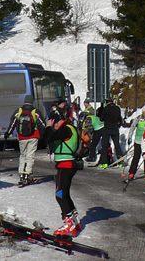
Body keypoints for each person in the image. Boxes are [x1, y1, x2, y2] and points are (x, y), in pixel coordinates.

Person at [45, 100, 83, 237]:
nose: (54, 126)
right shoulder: (69, 128)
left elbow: (48, 137)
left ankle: (69, 224)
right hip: (67, 164)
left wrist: (48, 127)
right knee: (64, 193)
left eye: (54, 123)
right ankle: (74, 219)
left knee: (60, 195)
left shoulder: (65, 129)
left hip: (66, 165)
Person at [6, 96, 44, 186]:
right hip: (33, 136)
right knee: (30, 155)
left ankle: (21, 174)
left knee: (23, 155)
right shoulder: (35, 111)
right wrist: (43, 135)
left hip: (22, 137)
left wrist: (8, 132)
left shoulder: (19, 111)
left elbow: (13, 123)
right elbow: (42, 124)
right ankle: (27, 174)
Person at [125, 105, 145, 183]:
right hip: (138, 141)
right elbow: (132, 127)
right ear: (142, 112)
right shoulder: (138, 118)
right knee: (136, 157)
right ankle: (131, 173)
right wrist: (129, 137)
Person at [97, 97, 123, 168]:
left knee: (104, 146)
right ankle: (120, 161)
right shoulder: (117, 108)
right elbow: (119, 118)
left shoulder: (106, 109)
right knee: (117, 145)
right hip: (115, 129)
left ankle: (104, 162)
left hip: (107, 128)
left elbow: (101, 119)